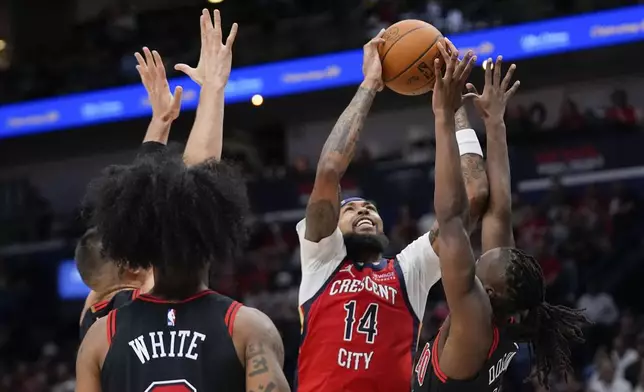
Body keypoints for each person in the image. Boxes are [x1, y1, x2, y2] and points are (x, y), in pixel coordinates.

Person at [76, 10, 290, 392]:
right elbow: (184, 194)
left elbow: (166, 199)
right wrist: (212, 90)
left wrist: (159, 126)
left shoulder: (99, 332)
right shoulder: (245, 326)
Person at [295, 34, 489, 392]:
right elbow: (328, 171)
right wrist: (370, 83)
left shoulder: (408, 269)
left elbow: (475, 197)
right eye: (349, 208)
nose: (363, 209)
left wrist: (454, 106)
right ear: (332, 227)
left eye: (369, 206)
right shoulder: (320, 261)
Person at [412, 51, 588, 392]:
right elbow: (498, 209)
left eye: (483, 261)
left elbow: (451, 219)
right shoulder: (500, 309)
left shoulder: (475, 323)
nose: (482, 253)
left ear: (488, 291)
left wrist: (444, 116)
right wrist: (494, 123)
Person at [78, 4, 235, 340]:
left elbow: (136, 202)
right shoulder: (146, 292)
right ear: (130, 265)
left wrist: (160, 123)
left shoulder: (91, 315)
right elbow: (195, 188)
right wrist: (212, 88)